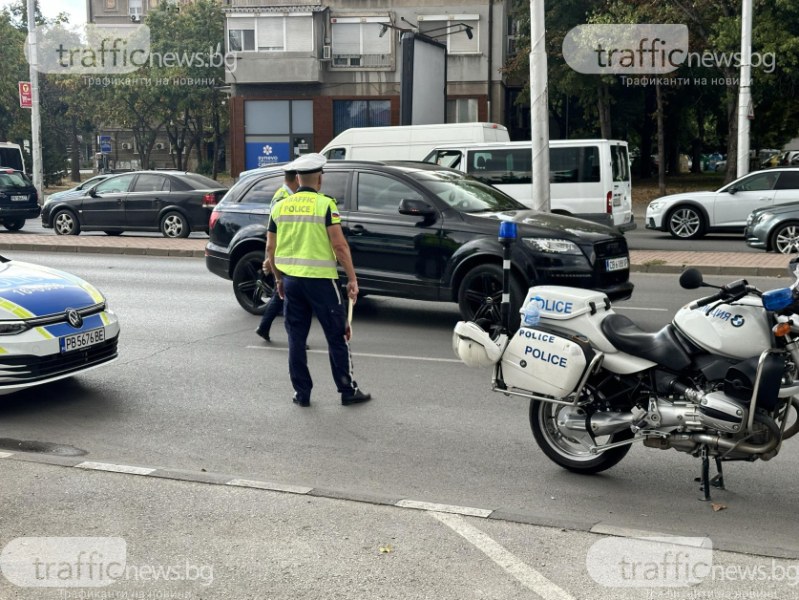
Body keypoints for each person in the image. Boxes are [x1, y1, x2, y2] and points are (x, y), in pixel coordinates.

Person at [266, 153, 371, 408]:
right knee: (337, 336)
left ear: (298, 178)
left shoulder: (280, 206)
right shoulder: (325, 205)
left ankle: (302, 394)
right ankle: (347, 390)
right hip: (322, 283)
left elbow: (270, 248)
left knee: (296, 339)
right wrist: (353, 279)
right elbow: (339, 245)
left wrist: (279, 280)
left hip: (292, 282)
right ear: (320, 179)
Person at [256, 166, 299, 342]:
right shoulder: (283, 198)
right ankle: (296, 338)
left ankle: (264, 327)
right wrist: (270, 257)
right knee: (289, 298)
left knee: (281, 295)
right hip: (284, 253)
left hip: (285, 252)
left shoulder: (285, 195)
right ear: (297, 178)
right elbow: (276, 230)